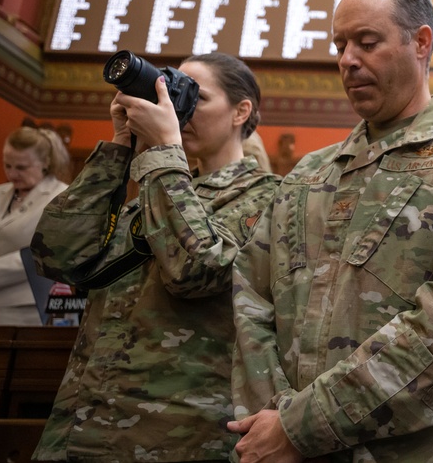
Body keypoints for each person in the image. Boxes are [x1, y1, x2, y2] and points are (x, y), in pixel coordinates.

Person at [230, 0, 433, 462]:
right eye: (340, 44)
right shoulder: (309, 174)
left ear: (421, 43)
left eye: (367, 42)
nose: (347, 59)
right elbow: (251, 300)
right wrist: (271, 425)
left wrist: (300, 425)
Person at [30, 53, 280, 462]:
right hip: (80, 423)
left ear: (241, 111)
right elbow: (55, 256)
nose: (179, 110)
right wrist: (120, 147)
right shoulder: (150, 189)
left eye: (194, 98)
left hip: (172, 435)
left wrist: (165, 151)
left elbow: (195, 271)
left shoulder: (272, 196)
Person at [0, 127, 69, 325]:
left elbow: (42, 254)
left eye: (21, 167)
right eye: (7, 165)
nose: (12, 173)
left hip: (22, 307)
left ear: (45, 163)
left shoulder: (62, 197)